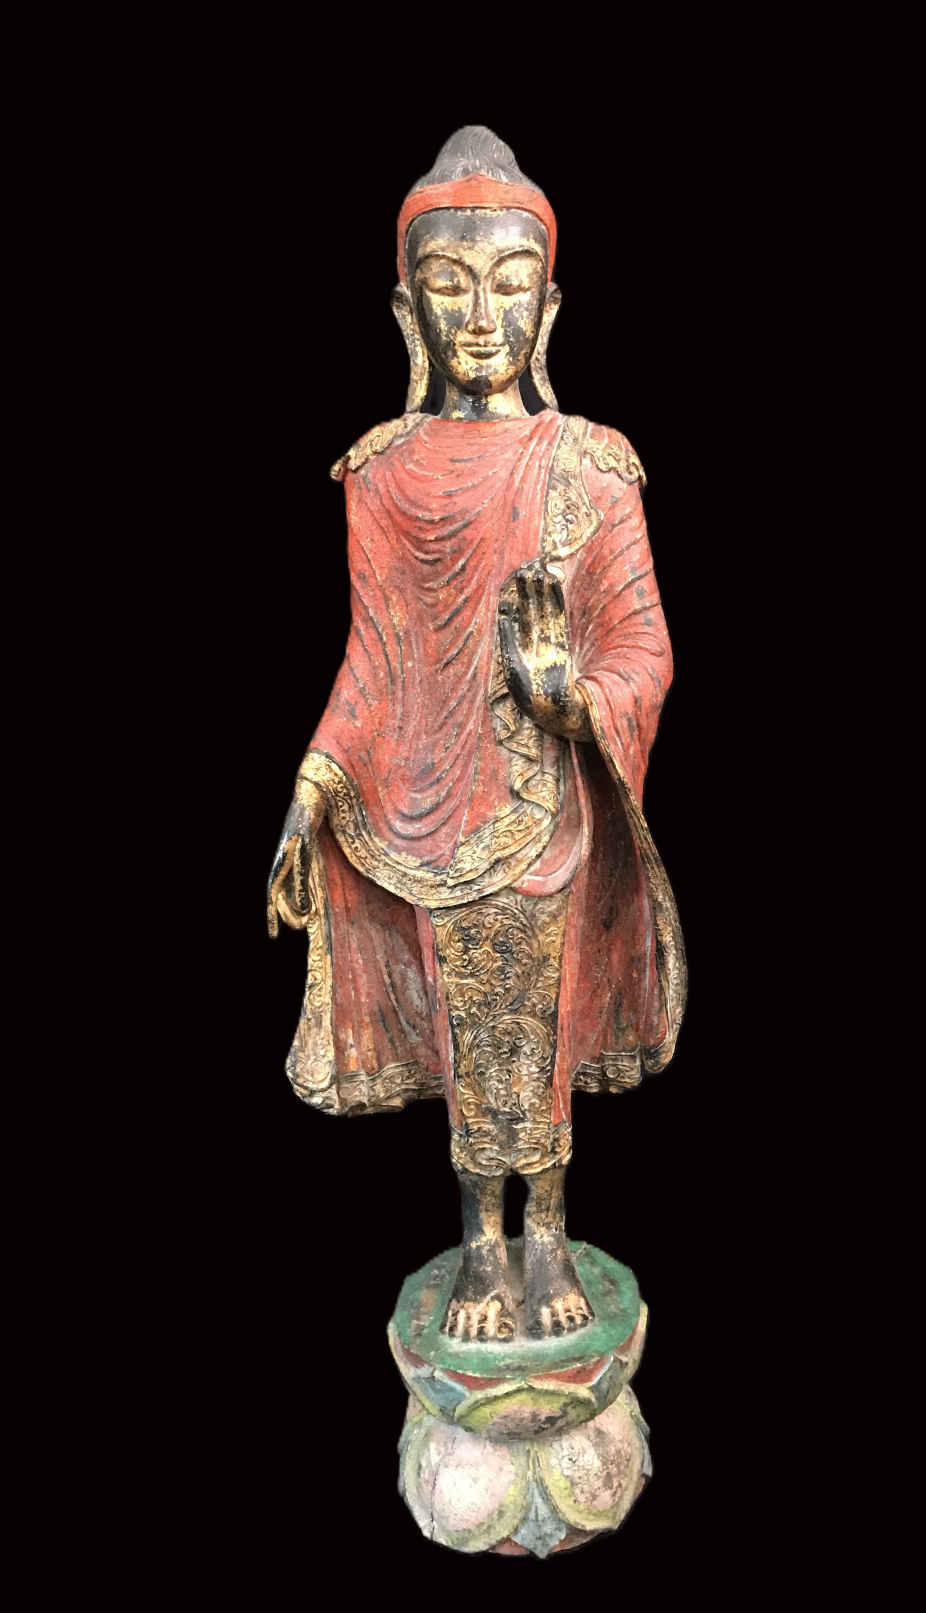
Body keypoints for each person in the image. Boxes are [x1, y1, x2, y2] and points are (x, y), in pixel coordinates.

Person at [267, 127, 685, 1342]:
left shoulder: (590, 466)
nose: (481, 316)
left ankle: (544, 1228)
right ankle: (480, 1242)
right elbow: (375, 654)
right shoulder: (381, 473)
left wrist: (569, 696)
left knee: (534, 1018)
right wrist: (309, 789)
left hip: (545, 802)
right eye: (449, 285)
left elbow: (645, 649)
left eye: (509, 284)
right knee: (464, 1025)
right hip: (422, 798)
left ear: (547, 308)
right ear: (408, 310)